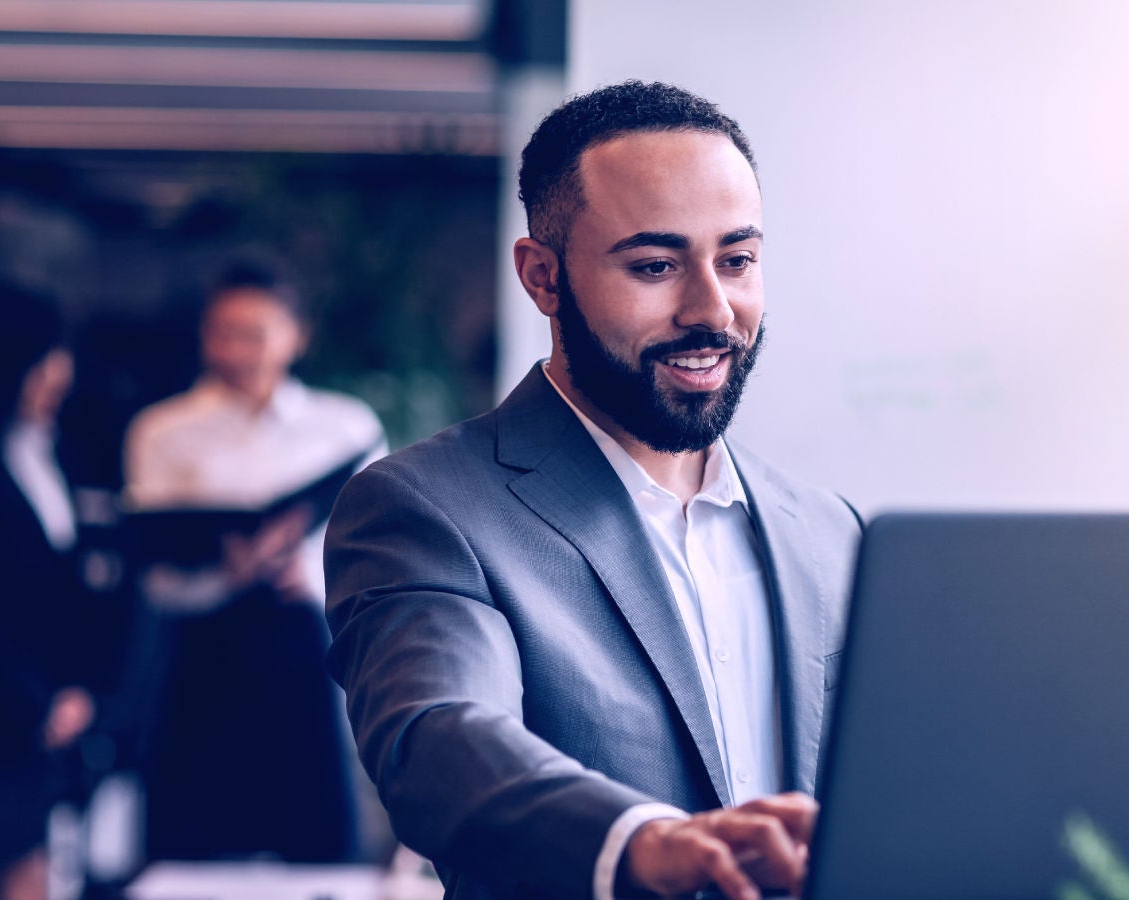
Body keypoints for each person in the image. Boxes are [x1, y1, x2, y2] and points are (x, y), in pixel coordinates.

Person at [324, 81, 861, 900]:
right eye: (655, 266)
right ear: (543, 278)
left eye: (738, 260)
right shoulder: (425, 508)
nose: (712, 309)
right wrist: (644, 843)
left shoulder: (831, 531)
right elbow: (438, 739)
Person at [122, 259, 383, 862]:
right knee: (194, 846)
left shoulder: (344, 427)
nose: (235, 350)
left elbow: (377, 555)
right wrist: (226, 569)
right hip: (204, 650)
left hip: (306, 642)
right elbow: (154, 568)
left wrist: (310, 574)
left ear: (297, 335)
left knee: (316, 840)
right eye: (221, 332)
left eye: (255, 333)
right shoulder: (161, 430)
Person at [0, 281, 96, 900]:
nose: (63, 371)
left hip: (43, 717)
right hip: (10, 707)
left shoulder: (46, 451)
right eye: (48, 355)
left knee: (33, 863)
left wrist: (76, 690)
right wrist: (35, 702)